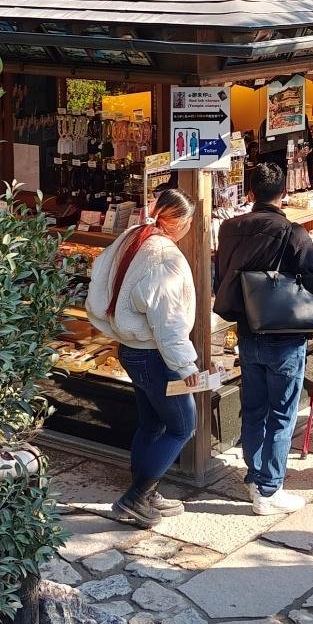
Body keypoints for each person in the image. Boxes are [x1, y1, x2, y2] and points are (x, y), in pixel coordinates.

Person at [214, 160, 313, 515]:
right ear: (284, 193)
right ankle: (268, 488)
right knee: (282, 412)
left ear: (250, 193)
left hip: (247, 329)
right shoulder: (294, 233)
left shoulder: (230, 228)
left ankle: (254, 474)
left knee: (253, 408)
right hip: (285, 332)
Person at [86, 187, 205, 528]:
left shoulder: (134, 236)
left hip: (131, 349)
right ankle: (135, 498)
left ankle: (146, 494)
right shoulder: (164, 256)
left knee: (152, 423)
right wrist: (185, 365)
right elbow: (166, 319)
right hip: (155, 355)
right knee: (183, 426)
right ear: (179, 221)